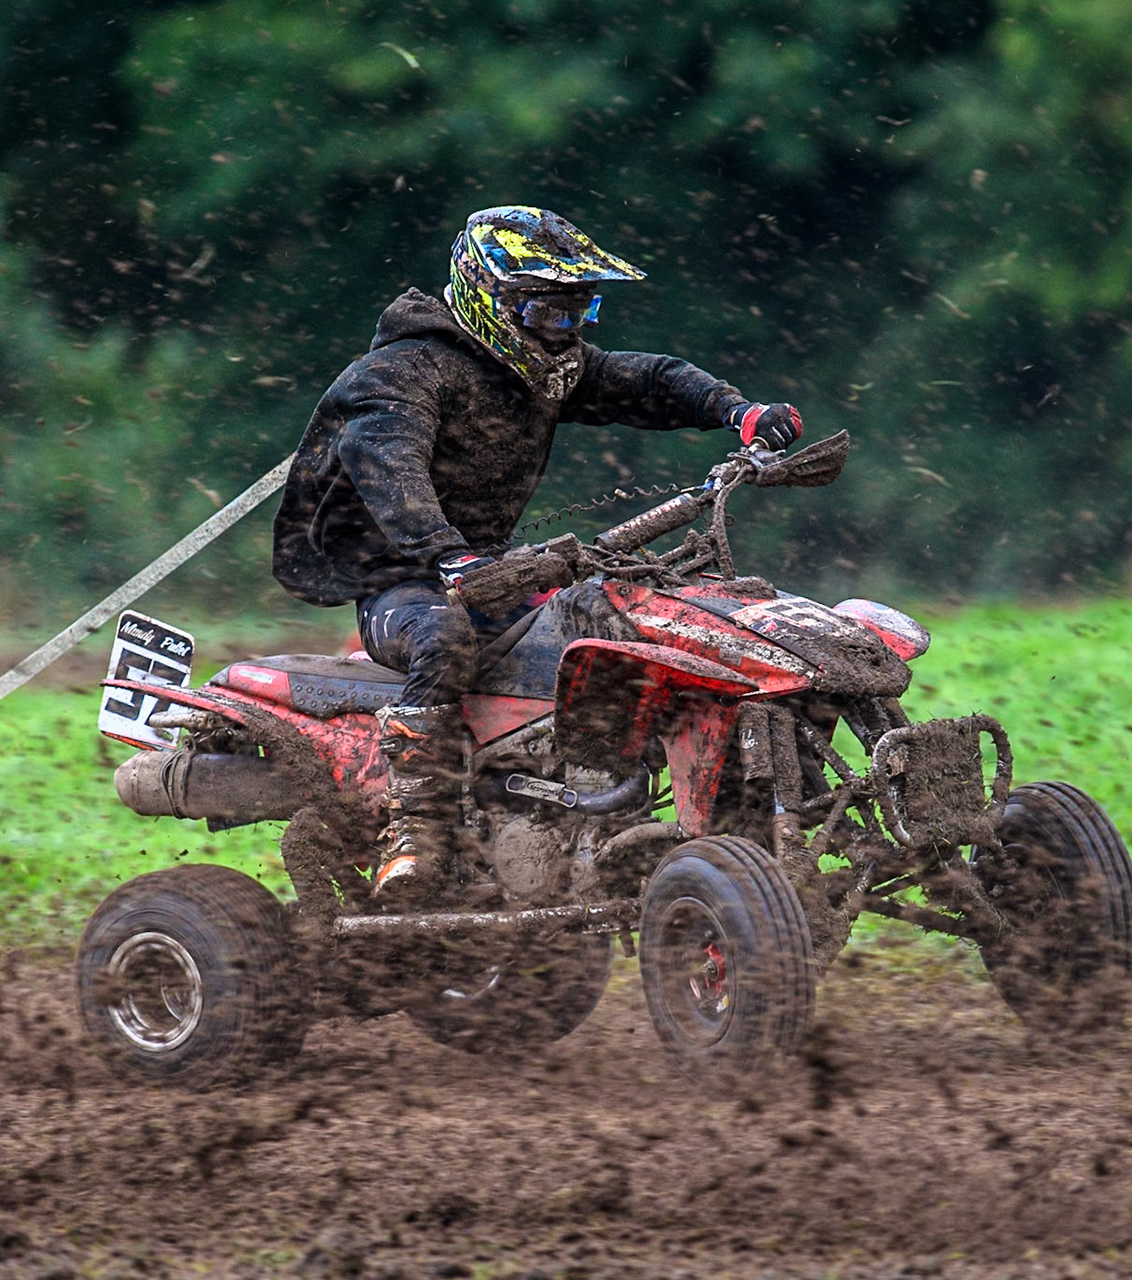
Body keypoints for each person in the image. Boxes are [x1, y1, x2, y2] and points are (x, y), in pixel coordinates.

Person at [271, 206, 802, 904]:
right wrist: (448, 558)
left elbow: (645, 380)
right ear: (492, 300)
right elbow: (387, 462)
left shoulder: (543, 366)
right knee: (442, 633)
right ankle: (414, 829)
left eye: (581, 311)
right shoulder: (400, 374)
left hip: (492, 570)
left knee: (624, 610)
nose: (568, 331)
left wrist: (736, 411)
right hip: (403, 585)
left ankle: (609, 797)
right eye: (550, 313)